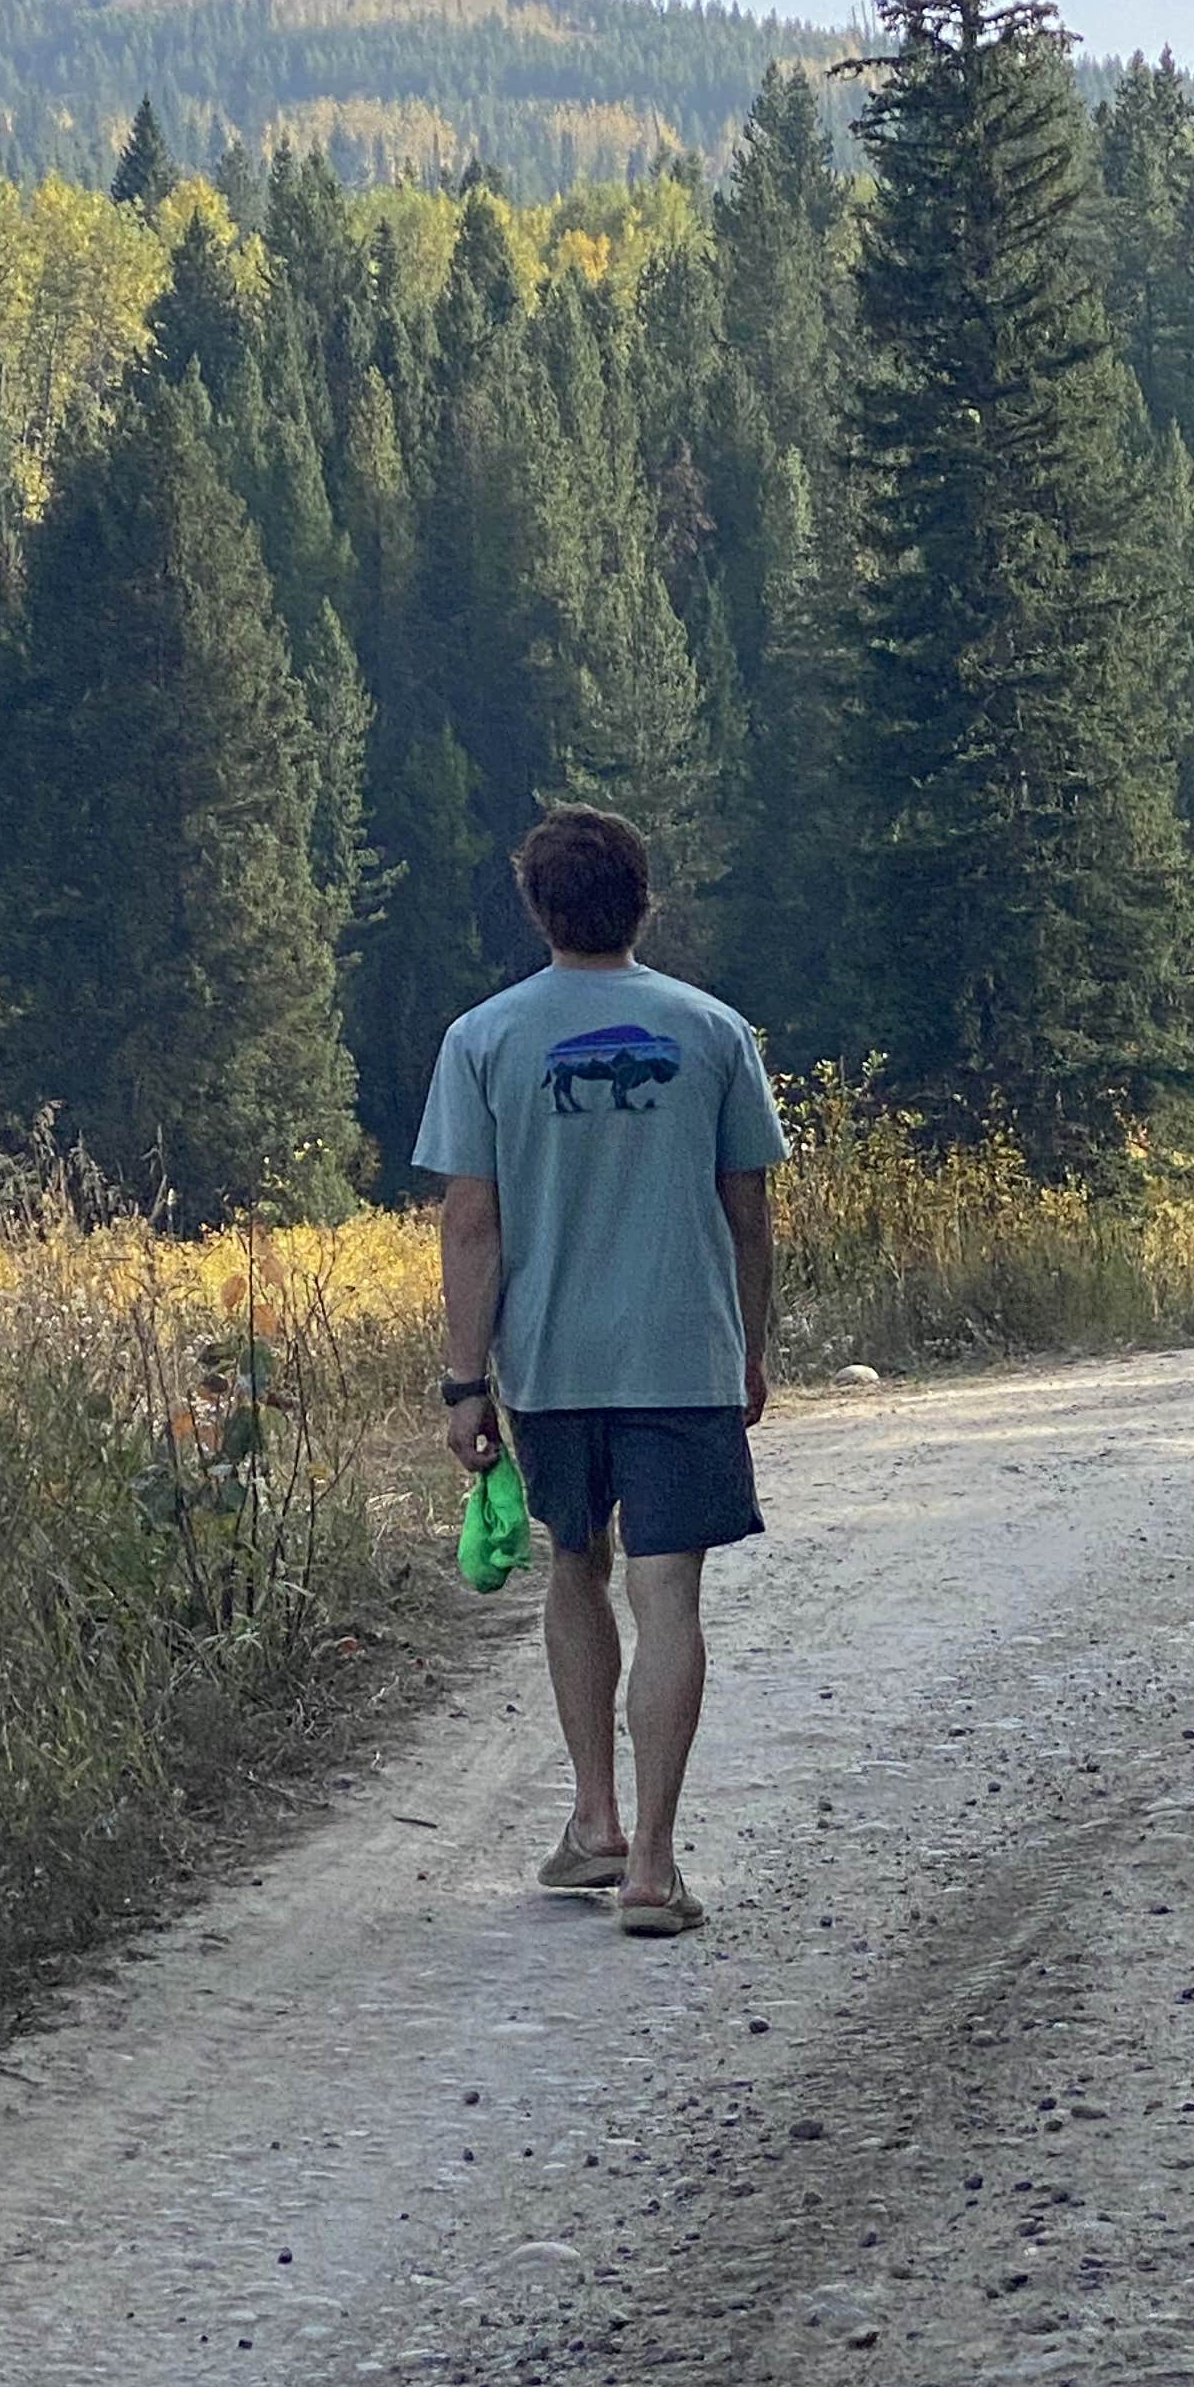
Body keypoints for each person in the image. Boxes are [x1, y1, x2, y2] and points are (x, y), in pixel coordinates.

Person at [415, 804, 787, 1936]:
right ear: (643, 902)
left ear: (537, 907)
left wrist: (465, 1381)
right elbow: (748, 1209)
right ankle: (655, 1870)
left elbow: (471, 1224)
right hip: (683, 1356)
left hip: (550, 1364)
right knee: (669, 1596)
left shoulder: (482, 1039)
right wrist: (751, 1344)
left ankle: (595, 1819)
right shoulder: (715, 1031)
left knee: (575, 1568)